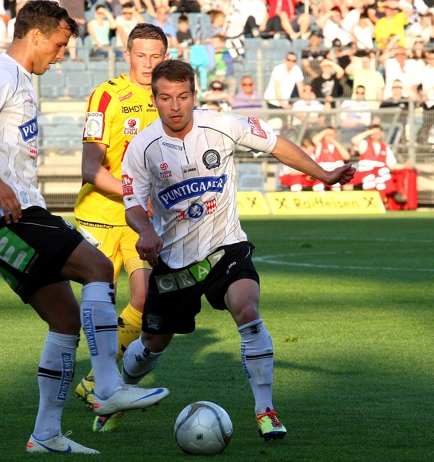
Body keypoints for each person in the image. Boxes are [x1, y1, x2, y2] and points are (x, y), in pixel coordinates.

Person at [0, 3, 168, 454]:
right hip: (4, 213)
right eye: (60, 44)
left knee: (66, 319)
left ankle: (46, 434)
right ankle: (107, 386)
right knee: (97, 268)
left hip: (7, 215)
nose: (62, 54)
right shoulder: (3, 71)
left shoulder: (21, 79)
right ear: (35, 37)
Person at [120, 59, 355, 441]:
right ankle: (117, 393)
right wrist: (145, 230)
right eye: (165, 98)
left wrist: (325, 174)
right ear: (155, 98)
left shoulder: (224, 124)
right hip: (176, 262)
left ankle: (265, 411)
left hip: (225, 247)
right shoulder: (143, 147)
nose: (175, 106)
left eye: (182, 97)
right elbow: (133, 204)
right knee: (152, 344)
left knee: (248, 309)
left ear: (194, 95)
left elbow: (278, 145)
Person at [72, 23, 169, 433]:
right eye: (141, 54)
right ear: (127, 53)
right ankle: (97, 386)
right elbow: (90, 168)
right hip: (98, 216)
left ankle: (97, 381)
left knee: (146, 299)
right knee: (100, 306)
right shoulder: (107, 94)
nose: (148, 63)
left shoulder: (170, 100)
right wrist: (134, 192)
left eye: (156, 56)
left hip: (139, 220)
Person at [350, 124, 410, 204]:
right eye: (373, 133)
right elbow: (354, 140)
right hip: (366, 171)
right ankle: (392, 192)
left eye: (377, 133)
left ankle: (380, 201)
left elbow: (392, 164)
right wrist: (369, 131)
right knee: (375, 176)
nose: (375, 135)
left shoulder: (385, 147)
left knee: (381, 175)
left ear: (381, 133)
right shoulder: (365, 144)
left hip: (380, 173)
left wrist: (404, 166)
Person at [311, 126, 351, 191]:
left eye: (332, 134)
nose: (330, 136)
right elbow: (313, 141)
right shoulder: (320, 144)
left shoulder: (337, 146)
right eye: (328, 134)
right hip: (322, 173)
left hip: (336, 174)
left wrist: (334, 141)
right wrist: (325, 132)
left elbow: (347, 156)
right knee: (318, 187)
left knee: (337, 186)